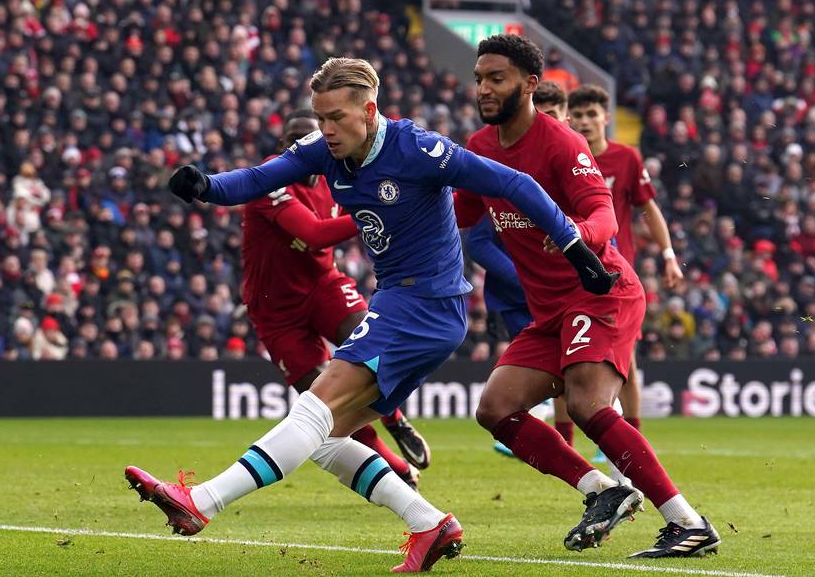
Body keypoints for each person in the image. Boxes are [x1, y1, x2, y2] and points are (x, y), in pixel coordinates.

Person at [126, 57, 616, 572]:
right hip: (401, 303)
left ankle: (201, 502)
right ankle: (429, 523)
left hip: (424, 304)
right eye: (320, 117)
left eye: (336, 117)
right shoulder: (324, 150)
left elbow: (515, 185)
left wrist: (572, 244)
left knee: (313, 410)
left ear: (368, 110)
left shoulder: (419, 149)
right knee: (323, 438)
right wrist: (205, 186)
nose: (326, 129)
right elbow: (255, 179)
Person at [458, 35, 719, 558]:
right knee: (496, 408)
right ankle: (602, 490)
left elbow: (603, 214)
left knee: (585, 403)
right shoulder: (479, 146)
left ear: (530, 84)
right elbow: (461, 214)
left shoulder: (561, 142)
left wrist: (577, 235)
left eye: (497, 78)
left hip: (600, 291)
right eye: (480, 78)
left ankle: (688, 523)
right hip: (549, 310)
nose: (484, 88)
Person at [240, 109, 429, 488]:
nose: (302, 145)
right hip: (276, 310)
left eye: (310, 137)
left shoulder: (336, 175)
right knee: (325, 405)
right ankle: (397, 469)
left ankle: (393, 418)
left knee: (370, 340)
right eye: (294, 140)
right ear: (283, 146)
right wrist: (378, 213)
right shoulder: (268, 179)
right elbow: (314, 234)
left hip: (323, 285)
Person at [566, 83, 684, 450]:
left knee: (626, 360)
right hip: (569, 271)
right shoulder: (564, 155)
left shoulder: (626, 158)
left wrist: (668, 254)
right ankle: (565, 443)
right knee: (564, 357)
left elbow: (648, 209)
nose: (585, 121)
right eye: (578, 115)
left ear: (606, 117)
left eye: (591, 114)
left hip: (616, 274)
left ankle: (631, 441)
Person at [482, 81, 574, 457]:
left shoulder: (571, 164)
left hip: (567, 292)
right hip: (517, 295)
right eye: (541, 115)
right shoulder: (496, 168)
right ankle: (553, 438)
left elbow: (601, 225)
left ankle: (575, 443)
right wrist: (521, 277)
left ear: (564, 120)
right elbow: (477, 240)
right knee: (554, 373)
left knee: (576, 375)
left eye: (553, 117)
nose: (546, 124)